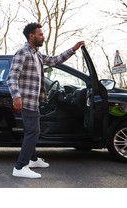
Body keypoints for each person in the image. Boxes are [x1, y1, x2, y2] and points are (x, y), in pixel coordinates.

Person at [6, 22, 84, 179]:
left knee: (32, 131)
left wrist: (73, 49)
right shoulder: (23, 53)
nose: (43, 37)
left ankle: (33, 159)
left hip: (33, 101)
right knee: (33, 132)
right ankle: (20, 166)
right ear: (31, 36)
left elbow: (55, 60)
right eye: (40, 34)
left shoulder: (36, 54)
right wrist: (16, 96)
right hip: (26, 100)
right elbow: (12, 77)